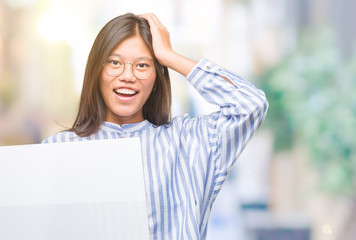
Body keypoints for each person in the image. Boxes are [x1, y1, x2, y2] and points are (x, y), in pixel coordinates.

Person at [43, 12, 268, 240]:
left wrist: (169, 56)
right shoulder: (58, 150)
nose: (127, 76)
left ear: (156, 78)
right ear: (96, 70)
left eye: (142, 65)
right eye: (114, 62)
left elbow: (250, 104)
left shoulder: (189, 144)